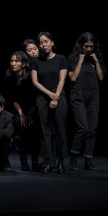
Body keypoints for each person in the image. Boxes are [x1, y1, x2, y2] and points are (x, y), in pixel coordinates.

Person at [31, 32, 68, 174]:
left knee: (60, 129)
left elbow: (62, 80)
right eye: (40, 43)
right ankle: (47, 162)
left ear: (52, 42)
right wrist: (49, 95)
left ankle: (60, 162)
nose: (43, 45)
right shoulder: (36, 61)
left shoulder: (61, 59)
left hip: (58, 95)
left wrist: (56, 96)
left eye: (46, 41)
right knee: (44, 130)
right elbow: (35, 82)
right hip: (43, 96)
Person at [67, 32, 106, 171]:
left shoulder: (96, 59)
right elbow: (72, 78)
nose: (89, 49)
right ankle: (73, 158)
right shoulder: (73, 58)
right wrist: (80, 61)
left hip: (93, 96)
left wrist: (96, 61)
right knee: (83, 127)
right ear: (80, 45)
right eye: (86, 46)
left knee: (92, 129)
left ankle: (88, 160)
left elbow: (100, 78)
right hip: (78, 96)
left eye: (91, 46)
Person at [4, 51, 41, 171]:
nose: (13, 63)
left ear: (23, 64)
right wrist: (21, 114)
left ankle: (35, 161)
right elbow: (12, 99)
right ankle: (23, 161)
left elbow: (35, 98)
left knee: (34, 134)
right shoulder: (9, 77)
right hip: (18, 109)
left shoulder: (31, 77)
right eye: (12, 61)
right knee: (20, 134)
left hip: (33, 108)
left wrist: (28, 115)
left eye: (16, 61)